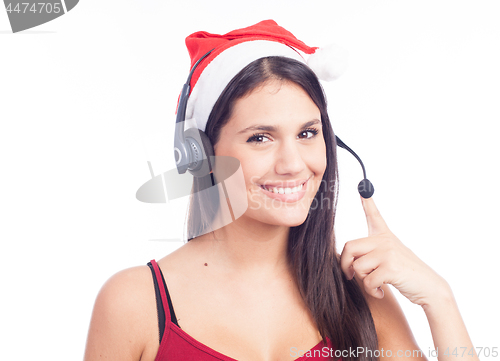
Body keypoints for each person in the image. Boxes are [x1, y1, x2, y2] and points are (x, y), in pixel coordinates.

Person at [83, 20, 479, 361]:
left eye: (308, 133)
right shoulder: (133, 303)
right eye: (260, 138)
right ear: (202, 155)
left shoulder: (361, 296)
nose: (293, 164)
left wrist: (439, 301)